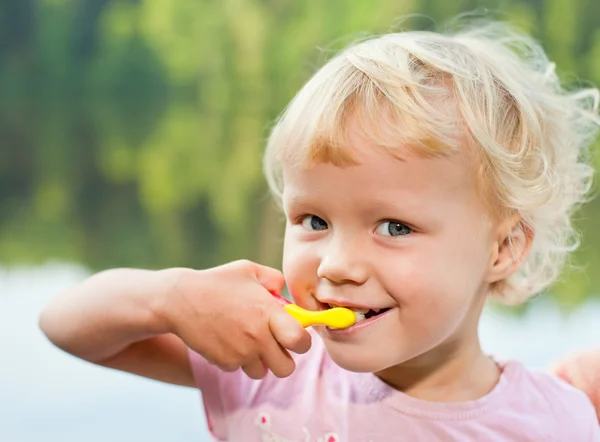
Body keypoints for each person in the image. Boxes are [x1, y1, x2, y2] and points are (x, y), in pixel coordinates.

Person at [39, 20, 600, 441]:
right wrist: (171, 299)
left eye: (394, 226)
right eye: (314, 220)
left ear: (503, 248)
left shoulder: (554, 423)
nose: (335, 264)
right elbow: (65, 325)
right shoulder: (273, 365)